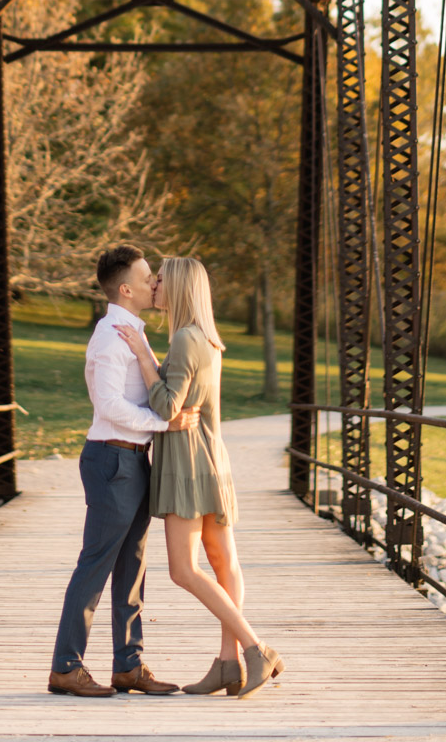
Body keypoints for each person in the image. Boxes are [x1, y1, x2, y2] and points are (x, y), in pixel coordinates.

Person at [116, 254, 284, 700]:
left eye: (161, 280)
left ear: (181, 288)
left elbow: (167, 408)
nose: (153, 286)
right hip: (212, 458)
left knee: (184, 570)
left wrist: (141, 357)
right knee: (224, 563)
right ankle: (228, 665)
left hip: (188, 464)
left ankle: (254, 648)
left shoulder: (188, 339)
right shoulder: (206, 338)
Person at [48, 244, 201, 698]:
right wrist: (164, 422)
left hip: (133, 460)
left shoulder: (130, 331)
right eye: (149, 276)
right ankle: (66, 667)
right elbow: (110, 406)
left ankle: (128, 665)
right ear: (127, 288)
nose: (157, 282)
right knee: (95, 566)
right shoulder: (112, 336)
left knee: (132, 567)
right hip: (112, 458)